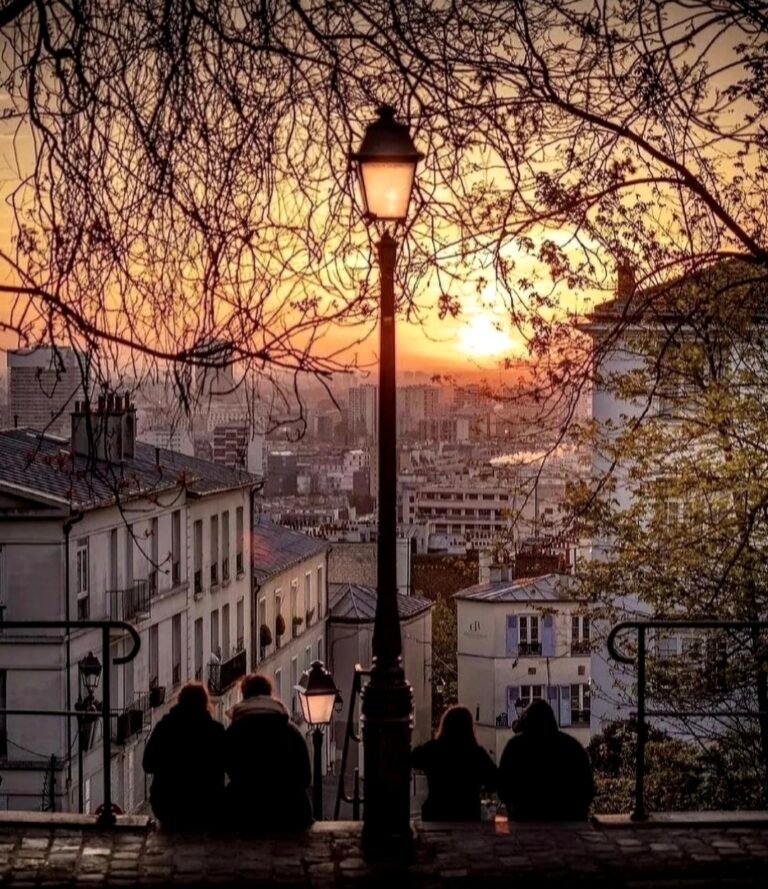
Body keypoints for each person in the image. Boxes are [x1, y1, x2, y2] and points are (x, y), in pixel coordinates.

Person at [224, 673, 313, 831]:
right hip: (290, 812)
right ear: (269, 693)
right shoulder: (290, 731)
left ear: (244, 695)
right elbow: (305, 776)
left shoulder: (233, 733)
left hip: (243, 812)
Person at [143, 682, 225, 830]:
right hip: (206, 803)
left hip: (168, 803)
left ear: (180, 700)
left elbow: (147, 764)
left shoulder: (165, 727)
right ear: (205, 702)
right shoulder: (216, 730)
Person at [498, 699, 595, 821]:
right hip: (568, 822)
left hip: (525, 820)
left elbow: (503, 789)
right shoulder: (572, 746)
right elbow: (588, 789)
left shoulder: (515, 747)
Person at [411, 705, 497, 821]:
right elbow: (493, 780)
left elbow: (413, 758)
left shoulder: (433, 749)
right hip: (467, 813)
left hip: (436, 812)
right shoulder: (476, 753)